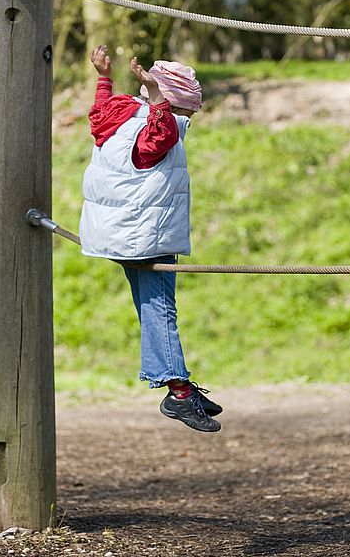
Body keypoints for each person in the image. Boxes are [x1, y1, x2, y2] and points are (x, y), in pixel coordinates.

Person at [79, 45, 222, 433]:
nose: (191, 118)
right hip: (146, 238)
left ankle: (177, 382)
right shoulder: (161, 125)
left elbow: (99, 115)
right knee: (161, 310)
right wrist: (160, 98)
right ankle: (178, 393)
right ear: (175, 105)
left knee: (151, 311)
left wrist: (103, 78)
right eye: (189, 111)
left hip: (118, 235)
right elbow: (157, 137)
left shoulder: (122, 117)